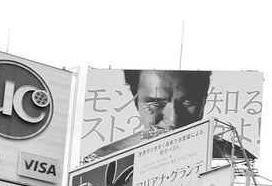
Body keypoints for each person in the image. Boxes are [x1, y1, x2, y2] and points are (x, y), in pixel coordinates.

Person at [84, 69, 256, 163]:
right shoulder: (102, 159)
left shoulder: (234, 158)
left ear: (204, 103)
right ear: (137, 103)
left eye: (188, 102)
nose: (173, 119)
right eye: (156, 103)